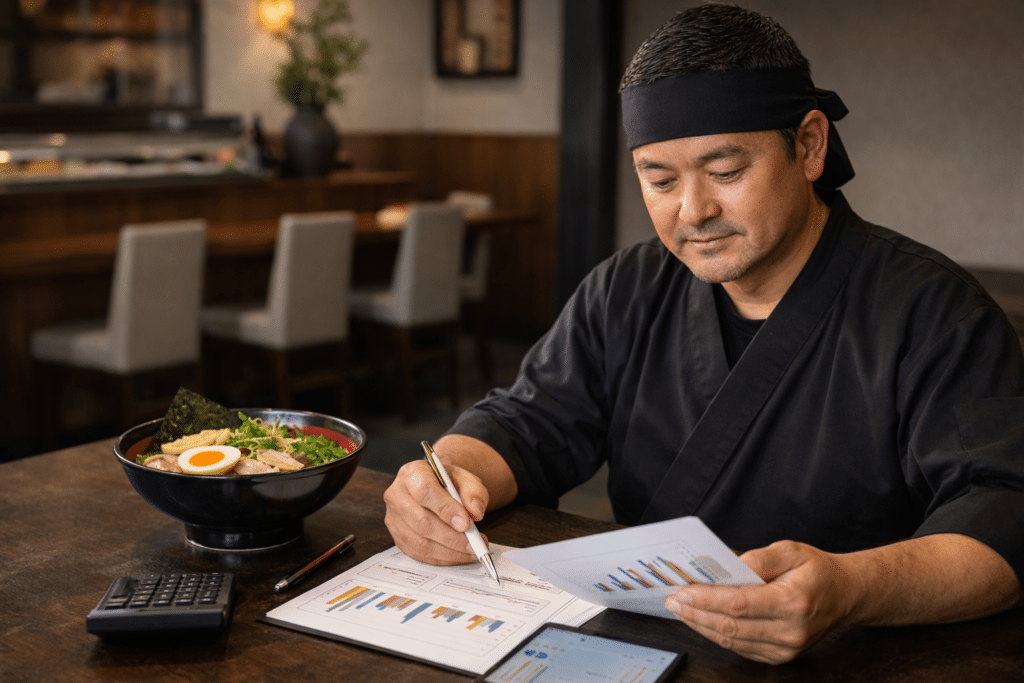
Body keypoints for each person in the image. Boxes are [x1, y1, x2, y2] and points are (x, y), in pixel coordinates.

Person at [383, 3, 1024, 665]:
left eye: (725, 173)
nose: (694, 211)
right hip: (644, 648)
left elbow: (1005, 511)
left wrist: (853, 587)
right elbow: (526, 420)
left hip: (855, 657)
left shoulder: (933, 311)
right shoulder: (627, 288)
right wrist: (446, 480)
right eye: (658, 180)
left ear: (808, 145)